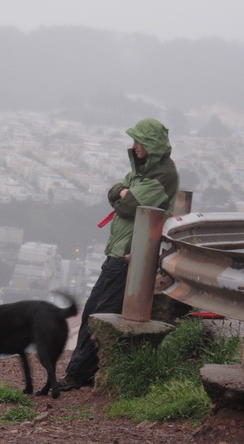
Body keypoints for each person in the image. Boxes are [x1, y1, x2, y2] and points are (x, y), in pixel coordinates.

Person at [58, 118, 180, 391]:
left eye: (139, 141)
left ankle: (78, 375)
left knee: (102, 314)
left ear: (151, 145)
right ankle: (81, 371)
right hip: (117, 251)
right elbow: (116, 191)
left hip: (129, 255)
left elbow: (128, 205)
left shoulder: (164, 174)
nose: (134, 146)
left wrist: (123, 193)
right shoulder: (141, 171)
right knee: (93, 311)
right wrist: (122, 192)